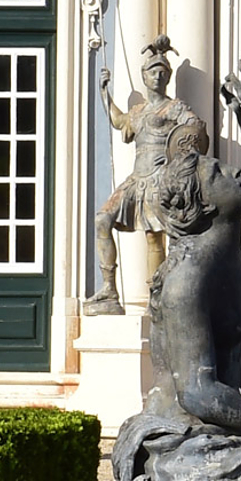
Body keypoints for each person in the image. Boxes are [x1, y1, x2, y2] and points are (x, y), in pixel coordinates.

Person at [84, 39, 205, 315]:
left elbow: (194, 129)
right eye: (153, 71)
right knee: (102, 219)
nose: (158, 75)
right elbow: (120, 122)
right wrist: (105, 93)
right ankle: (109, 291)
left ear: (168, 76)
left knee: (155, 237)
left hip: (160, 178)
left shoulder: (174, 107)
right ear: (144, 76)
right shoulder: (138, 111)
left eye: (163, 72)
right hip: (136, 180)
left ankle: (157, 296)